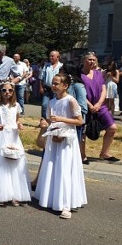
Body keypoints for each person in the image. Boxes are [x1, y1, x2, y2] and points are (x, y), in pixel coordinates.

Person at [34, 73, 87, 219]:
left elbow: (79, 121)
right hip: (54, 136)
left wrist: (61, 119)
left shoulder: (71, 101)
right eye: (53, 83)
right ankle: (50, 197)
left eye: (57, 83)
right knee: (52, 166)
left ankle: (65, 204)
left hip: (67, 139)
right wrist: (45, 124)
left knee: (64, 168)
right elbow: (50, 120)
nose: (54, 85)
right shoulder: (51, 102)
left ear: (65, 86)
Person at [80, 52, 119, 163]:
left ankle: (104, 153)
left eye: (94, 60)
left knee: (112, 128)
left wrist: (99, 103)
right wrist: (90, 105)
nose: (92, 62)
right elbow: (80, 93)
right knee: (82, 131)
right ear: (84, 60)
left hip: (100, 106)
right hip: (85, 106)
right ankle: (82, 155)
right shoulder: (79, 75)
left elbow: (103, 89)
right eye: (90, 59)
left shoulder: (98, 74)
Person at [39, 51, 63, 119]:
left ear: (57, 57)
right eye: (50, 56)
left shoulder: (61, 66)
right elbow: (41, 77)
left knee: (56, 105)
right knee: (44, 105)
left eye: (52, 56)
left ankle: (54, 120)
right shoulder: (46, 66)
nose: (50, 57)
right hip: (47, 89)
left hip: (57, 90)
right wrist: (40, 87)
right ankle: (43, 120)